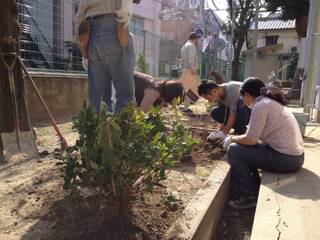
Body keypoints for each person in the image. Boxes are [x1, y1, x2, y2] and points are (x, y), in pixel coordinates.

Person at [222, 78, 304, 210]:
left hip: (286, 159)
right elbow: (255, 138)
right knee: (243, 148)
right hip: (295, 157)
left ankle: (249, 196)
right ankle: (253, 185)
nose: (242, 101)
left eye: (242, 97)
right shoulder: (270, 102)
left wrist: (231, 138)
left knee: (234, 150)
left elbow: (251, 140)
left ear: (247, 94)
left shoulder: (260, 106)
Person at [75, 0, 137, 113]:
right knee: (125, 100)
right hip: (115, 26)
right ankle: (122, 130)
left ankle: (101, 130)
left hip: (90, 35)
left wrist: (84, 52)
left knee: (99, 103)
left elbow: (78, 19)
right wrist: (124, 18)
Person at [179, 32, 201, 112]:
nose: (198, 41)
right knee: (190, 88)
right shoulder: (192, 46)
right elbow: (190, 59)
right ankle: (186, 107)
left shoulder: (184, 46)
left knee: (185, 88)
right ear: (194, 39)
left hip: (184, 69)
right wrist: (193, 69)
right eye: (197, 39)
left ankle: (183, 105)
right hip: (189, 70)